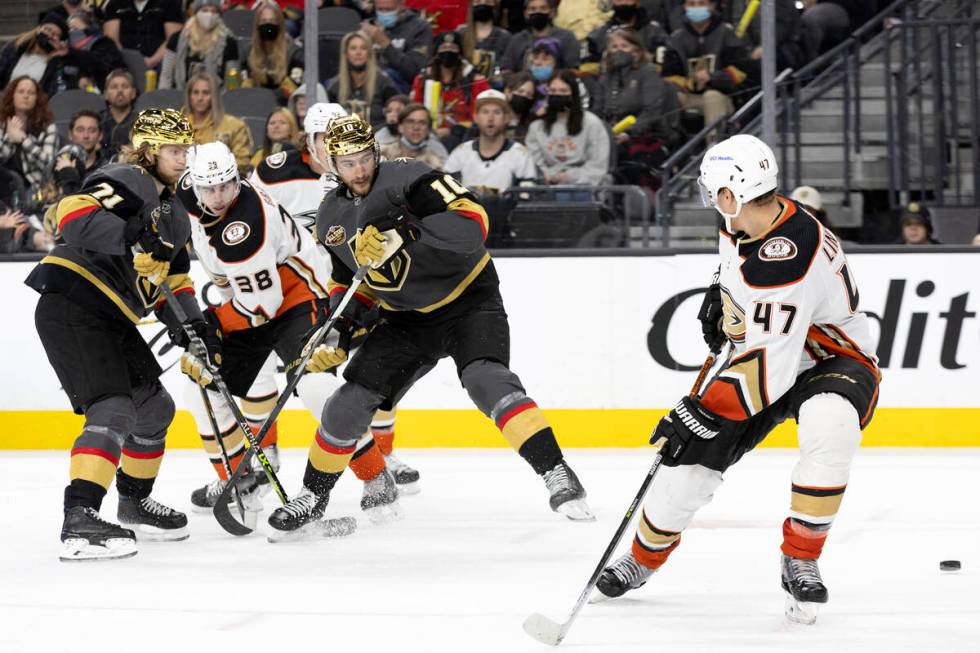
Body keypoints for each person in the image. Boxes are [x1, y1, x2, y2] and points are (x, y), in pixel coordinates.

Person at [596, 135, 881, 627]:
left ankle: (802, 556)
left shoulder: (787, 256)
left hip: (829, 359)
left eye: (714, 193)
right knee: (685, 473)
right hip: (765, 352)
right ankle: (643, 558)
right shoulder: (750, 219)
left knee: (830, 426)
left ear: (731, 193)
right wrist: (721, 293)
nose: (712, 202)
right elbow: (743, 280)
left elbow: (770, 366)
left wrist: (701, 410)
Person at [265, 114, 594, 536]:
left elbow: (475, 224)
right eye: (348, 162)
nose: (359, 170)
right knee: (348, 402)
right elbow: (352, 285)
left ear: (375, 152)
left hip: (468, 300)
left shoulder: (411, 178)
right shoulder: (331, 220)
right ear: (333, 164)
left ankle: (557, 473)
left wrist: (404, 229)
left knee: (487, 381)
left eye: (364, 157)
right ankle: (313, 496)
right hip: (405, 320)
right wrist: (343, 329)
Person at [174, 140, 401, 523]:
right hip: (253, 296)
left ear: (236, 178)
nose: (217, 196)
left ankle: (378, 479)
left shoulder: (245, 230)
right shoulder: (188, 190)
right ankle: (241, 483)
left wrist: (211, 324)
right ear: (194, 183)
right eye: (208, 188)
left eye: (226, 185)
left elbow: (260, 308)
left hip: (297, 298)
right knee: (201, 387)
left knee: (314, 386)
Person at [24, 108, 200, 561]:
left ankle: (134, 502)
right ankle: (80, 516)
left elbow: (173, 282)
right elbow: (69, 214)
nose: (183, 158)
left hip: (114, 315)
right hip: (73, 301)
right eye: (174, 150)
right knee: (113, 407)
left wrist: (195, 325)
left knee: (155, 409)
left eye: (186, 149)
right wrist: (131, 233)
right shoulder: (128, 177)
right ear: (148, 151)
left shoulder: (177, 213)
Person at [249, 102, 422, 495]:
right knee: (262, 369)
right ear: (308, 140)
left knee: (375, 370)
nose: (332, 147)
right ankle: (265, 456)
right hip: (299, 294)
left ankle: (382, 454)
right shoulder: (274, 173)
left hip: (359, 290)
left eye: (339, 138)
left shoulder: (368, 178)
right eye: (324, 138)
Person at [665, 0, 749, 133]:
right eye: (691, 4)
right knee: (666, 98)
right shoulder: (676, 38)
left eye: (701, 3)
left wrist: (712, 78)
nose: (696, 8)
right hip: (689, 97)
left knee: (711, 97)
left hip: (723, 97)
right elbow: (667, 75)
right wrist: (681, 87)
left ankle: (714, 148)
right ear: (685, 7)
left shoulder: (726, 33)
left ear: (712, 6)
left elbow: (741, 72)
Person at [525, 70, 610, 186]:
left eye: (563, 91)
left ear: (574, 94)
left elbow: (597, 165)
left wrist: (569, 177)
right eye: (553, 91)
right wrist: (549, 177)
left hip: (586, 187)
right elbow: (535, 165)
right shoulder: (536, 127)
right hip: (547, 186)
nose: (558, 95)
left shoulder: (592, 123)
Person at [444, 89, 536, 193]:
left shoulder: (520, 154)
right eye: (485, 112)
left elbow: (526, 199)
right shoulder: (460, 153)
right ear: (476, 117)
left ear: (507, 118)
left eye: (497, 112)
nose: (490, 118)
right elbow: (446, 195)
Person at [0, 16, 96, 96]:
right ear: (38, 29)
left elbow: (93, 62)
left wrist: (68, 53)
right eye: (47, 29)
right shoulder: (14, 48)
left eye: (55, 34)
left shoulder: (57, 62)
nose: (49, 35)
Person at [182, 71, 254, 174]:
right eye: (195, 92)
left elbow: (242, 162)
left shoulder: (234, 126)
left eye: (206, 93)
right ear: (189, 96)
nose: (200, 98)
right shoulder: (177, 126)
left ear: (214, 96)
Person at [159, 0, 239, 91]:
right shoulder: (176, 39)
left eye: (213, 11)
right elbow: (166, 76)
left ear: (219, 15)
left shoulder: (228, 42)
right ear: (196, 13)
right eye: (204, 10)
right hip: (179, 95)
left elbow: (232, 79)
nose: (209, 15)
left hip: (217, 97)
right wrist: (163, 99)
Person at [327, 31, 399, 129]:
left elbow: (396, 114)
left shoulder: (384, 83)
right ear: (346, 54)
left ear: (369, 53)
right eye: (353, 48)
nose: (358, 52)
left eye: (363, 48)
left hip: (379, 139)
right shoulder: (335, 86)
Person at [0, 76, 58, 196]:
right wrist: (9, 137)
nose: (26, 96)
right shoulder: (2, 124)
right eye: (21, 92)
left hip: (36, 188)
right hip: (5, 186)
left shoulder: (48, 127)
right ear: (12, 96)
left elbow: (49, 163)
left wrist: (24, 140)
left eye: (31, 93)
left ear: (37, 98)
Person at [360, 0, 434, 93]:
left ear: (401, 5)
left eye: (389, 10)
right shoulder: (368, 26)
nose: (384, 14)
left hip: (402, 91)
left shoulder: (419, 28)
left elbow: (415, 72)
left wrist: (385, 44)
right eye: (380, 9)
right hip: (367, 86)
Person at [242, 0, 304, 103]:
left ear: (280, 24)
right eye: (263, 21)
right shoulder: (248, 51)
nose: (268, 25)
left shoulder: (294, 52)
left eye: (272, 21)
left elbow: (294, 87)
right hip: (254, 102)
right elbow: (245, 85)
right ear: (257, 25)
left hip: (284, 104)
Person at [499, 0, 580, 74]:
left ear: (552, 12)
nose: (538, 11)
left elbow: (572, 70)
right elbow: (506, 70)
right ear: (526, 14)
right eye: (532, 9)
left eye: (543, 8)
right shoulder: (517, 40)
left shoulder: (566, 37)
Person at [102, 0, 183, 71]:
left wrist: (152, 61)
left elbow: (173, 39)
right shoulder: (114, 4)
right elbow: (111, 40)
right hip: (123, 65)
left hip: (160, 65)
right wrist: (128, 63)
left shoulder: (170, 3)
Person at [586, 0, 673, 64]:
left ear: (638, 2)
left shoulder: (655, 33)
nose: (623, 2)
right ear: (611, 2)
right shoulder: (598, 37)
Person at [54, 109, 110, 197]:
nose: (86, 136)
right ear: (70, 134)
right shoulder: (55, 166)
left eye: (92, 130)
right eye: (80, 130)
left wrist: (68, 174)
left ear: (100, 136)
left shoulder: (107, 170)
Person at [66, 8, 126, 92]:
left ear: (90, 29)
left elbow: (100, 64)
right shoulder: (67, 50)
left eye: (75, 29)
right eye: (70, 29)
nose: (71, 33)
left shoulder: (104, 44)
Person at [379, 102, 446, 170]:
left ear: (428, 129)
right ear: (400, 127)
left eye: (422, 123)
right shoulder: (381, 154)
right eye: (410, 121)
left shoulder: (435, 164)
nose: (416, 127)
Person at [458, 0, 512, 79]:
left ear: (495, 5)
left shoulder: (505, 37)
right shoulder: (460, 33)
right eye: (478, 1)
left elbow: (507, 68)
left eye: (487, 1)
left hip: (494, 87)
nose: (483, 4)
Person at [100, 68, 138, 157]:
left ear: (133, 93)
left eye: (125, 87)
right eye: (114, 87)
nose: (120, 91)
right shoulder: (97, 121)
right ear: (105, 94)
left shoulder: (142, 121)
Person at [503, 71, 540, 142]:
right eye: (520, 91)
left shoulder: (532, 123)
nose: (524, 96)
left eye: (529, 94)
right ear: (508, 92)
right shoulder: (495, 117)